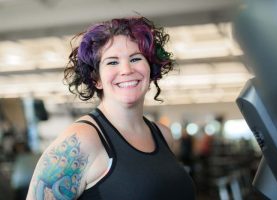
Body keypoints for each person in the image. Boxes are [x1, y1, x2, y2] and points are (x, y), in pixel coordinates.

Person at [26, 16, 196, 200]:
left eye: (135, 58)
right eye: (112, 62)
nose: (126, 70)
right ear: (96, 79)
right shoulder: (83, 141)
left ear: (151, 69)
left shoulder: (163, 135)